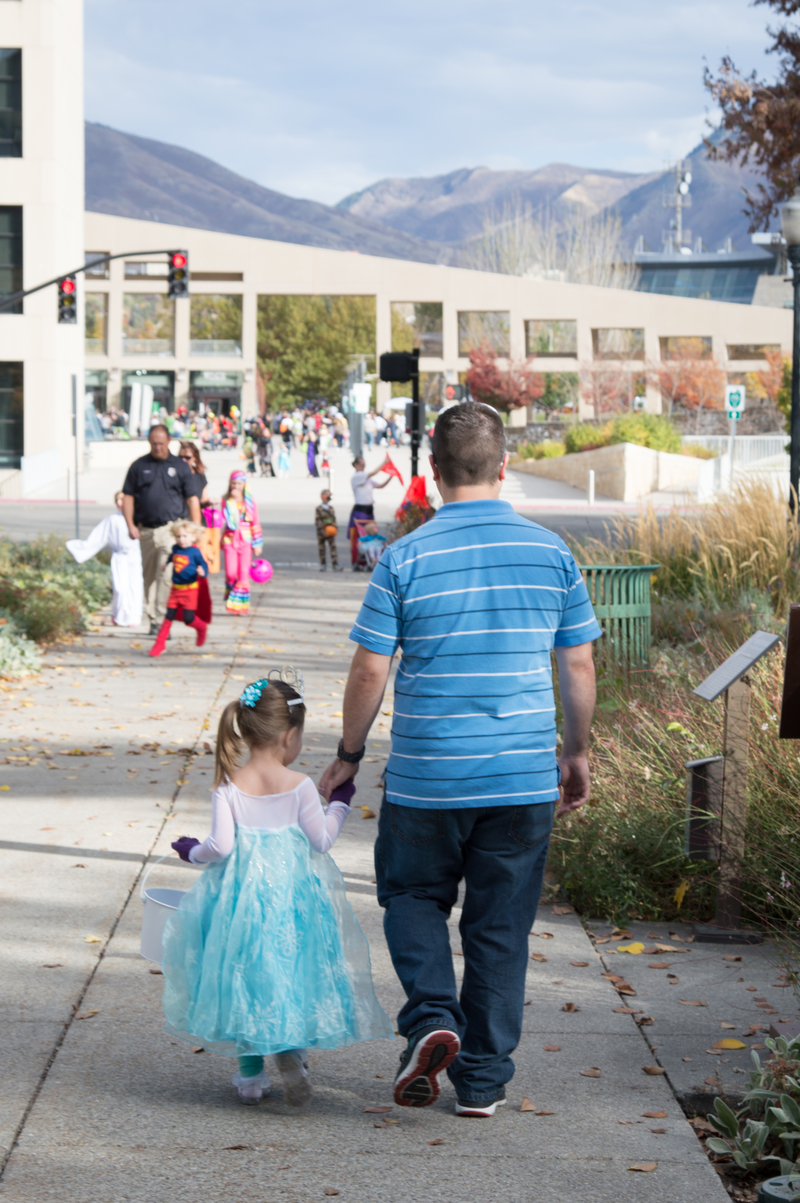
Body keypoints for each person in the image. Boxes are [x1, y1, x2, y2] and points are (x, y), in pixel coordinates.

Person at [320, 402, 601, 1119]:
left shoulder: (405, 557)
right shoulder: (552, 554)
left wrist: (348, 756)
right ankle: (481, 1081)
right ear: (502, 467)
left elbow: (367, 673)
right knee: (499, 928)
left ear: (433, 473)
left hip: (427, 779)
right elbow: (578, 664)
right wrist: (575, 751)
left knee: (412, 897)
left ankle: (430, 1019)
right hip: (520, 779)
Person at [162, 673, 393, 1106]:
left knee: (243, 976)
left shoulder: (228, 786)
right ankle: (292, 1053)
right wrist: (340, 802)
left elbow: (220, 847)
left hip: (239, 902)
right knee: (291, 969)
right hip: (292, 900)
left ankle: (250, 1080)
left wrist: (191, 851)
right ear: (290, 736)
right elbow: (322, 840)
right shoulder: (301, 785)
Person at [121, 425, 203, 635]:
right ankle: (154, 620)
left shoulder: (180, 467)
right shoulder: (138, 466)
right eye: (153, 443)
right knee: (149, 578)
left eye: (161, 443)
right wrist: (130, 524)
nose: (157, 447)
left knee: (165, 575)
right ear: (149, 442)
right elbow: (128, 496)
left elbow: (192, 499)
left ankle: (162, 617)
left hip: (171, 530)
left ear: (169, 442)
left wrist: (196, 531)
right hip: (146, 530)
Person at [66, 492, 143, 627]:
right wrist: (80, 548)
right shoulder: (112, 519)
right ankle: (120, 615)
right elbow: (98, 537)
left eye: (122, 500)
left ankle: (134, 617)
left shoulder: (138, 517)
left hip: (135, 556)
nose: (120, 503)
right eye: (117, 500)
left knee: (135, 586)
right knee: (120, 587)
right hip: (119, 557)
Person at [149, 520, 209, 657]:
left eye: (185, 536)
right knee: (168, 617)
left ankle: (201, 627)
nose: (181, 540)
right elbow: (172, 556)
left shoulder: (195, 552)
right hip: (175, 590)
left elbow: (204, 565)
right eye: (178, 536)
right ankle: (159, 644)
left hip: (190, 590)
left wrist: (202, 571)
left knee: (189, 619)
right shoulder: (176, 548)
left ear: (193, 536)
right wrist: (166, 563)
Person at [222, 470, 262, 614]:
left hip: (246, 541)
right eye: (233, 483)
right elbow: (225, 519)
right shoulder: (225, 500)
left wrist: (257, 544)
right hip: (230, 540)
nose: (236, 486)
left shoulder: (250, 502)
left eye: (239, 483)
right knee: (231, 573)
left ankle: (240, 605)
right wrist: (230, 502)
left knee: (244, 573)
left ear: (244, 484)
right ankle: (231, 594)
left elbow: (255, 522)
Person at [348, 456, 395, 569]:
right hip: (360, 510)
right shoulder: (357, 476)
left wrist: (391, 476)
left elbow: (380, 486)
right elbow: (373, 473)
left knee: (373, 534)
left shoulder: (366, 478)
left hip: (369, 509)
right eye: (362, 465)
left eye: (364, 465)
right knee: (360, 535)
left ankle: (372, 559)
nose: (363, 467)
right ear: (356, 465)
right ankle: (359, 561)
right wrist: (384, 462)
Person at [315, 489, 342, 572]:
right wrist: (323, 531)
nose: (328, 499)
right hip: (322, 532)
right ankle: (323, 564)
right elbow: (318, 521)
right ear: (322, 497)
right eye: (327, 497)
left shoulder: (331, 508)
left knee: (333, 548)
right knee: (322, 548)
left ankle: (335, 564)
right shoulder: (319, 509)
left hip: (330, 531)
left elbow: (334, 520)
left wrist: (335, 529)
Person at [178, 441, 211, 508]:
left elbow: (204, 499)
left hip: (195, 514)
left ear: (195, 458)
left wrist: (209, 502)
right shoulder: (174, 475)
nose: (183, 460)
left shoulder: (200, 475)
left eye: (187, 457)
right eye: (180, 457)